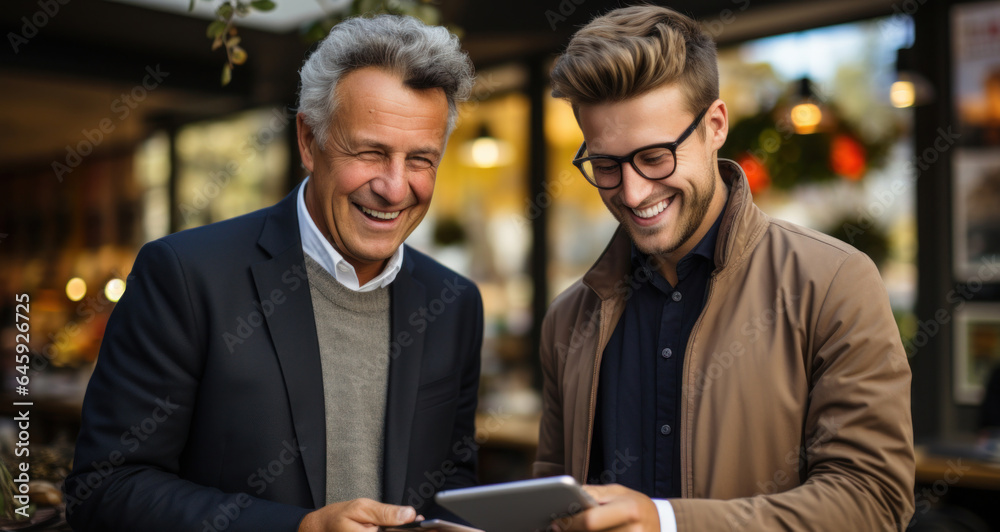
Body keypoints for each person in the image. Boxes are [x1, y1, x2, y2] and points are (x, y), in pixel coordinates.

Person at [65, 15, 481, 532]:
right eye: (370, 152)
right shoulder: (186, 276)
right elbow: (105, 490)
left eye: (420, 159)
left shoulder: (455, 301)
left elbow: (452, 483)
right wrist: (298, 528)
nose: (395, 188)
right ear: (309, 141)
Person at [534, 5, 915, 531]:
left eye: (654, 156)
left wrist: (667, 523)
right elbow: (554, 505)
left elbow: (872, 501)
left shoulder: (833, 283)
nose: (632, 191)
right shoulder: (566, 320)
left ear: (715, 126)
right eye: (605, 165)